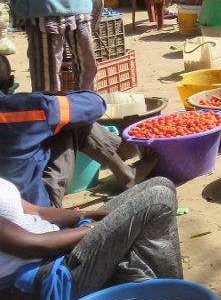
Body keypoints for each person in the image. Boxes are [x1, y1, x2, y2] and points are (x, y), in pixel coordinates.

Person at [0, 176, 181, 300]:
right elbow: (36, 245)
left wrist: (88, 215)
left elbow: (38, 212)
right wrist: (93, 228)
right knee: (160, 200)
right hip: (50, 281)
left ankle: (144, 287)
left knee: (162, 183)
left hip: (62, 244)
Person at [0, 55, 154, 209]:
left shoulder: (29, 106)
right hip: (37, 210)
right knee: (73, 120)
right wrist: (52, 96)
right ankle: (126, 172)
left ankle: (125, 169)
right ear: (11, 82)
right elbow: (95, 105)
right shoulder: (31, 107)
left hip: (7, 213)